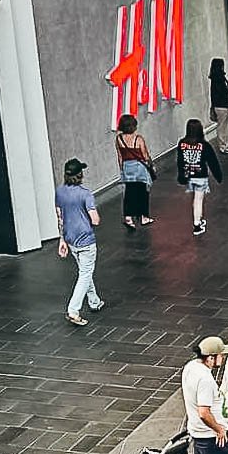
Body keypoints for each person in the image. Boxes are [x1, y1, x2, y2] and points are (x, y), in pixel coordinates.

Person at [55, 158, 103, 328]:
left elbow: (60, 217)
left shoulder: (60, 192)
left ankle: (94, 301)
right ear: (80, 175)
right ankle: (73, 310)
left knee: (85, 270)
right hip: (86, 240)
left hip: (71, 239)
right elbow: (95, 220)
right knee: (85, 274)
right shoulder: (85, 194)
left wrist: (62, 239)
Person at [176, 118, 224, 237]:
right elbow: (213, 162)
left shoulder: (182, 143)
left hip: (188, 175)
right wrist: (218, 176)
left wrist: (181, 175)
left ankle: (198, 220)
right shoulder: (204, 145)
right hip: (200, 175)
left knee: (195, 199)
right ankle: (197, 224)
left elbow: (180, 161)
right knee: (198, 200)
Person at [114, 115, 154, 230]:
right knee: (142, 192)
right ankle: (143, 217)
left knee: (129, 193)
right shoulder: (138, 139)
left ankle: (128, 217)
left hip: (127, 167)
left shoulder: (119, 139)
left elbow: (120, 157)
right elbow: (145, 155)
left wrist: (122, 169)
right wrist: (150, 165)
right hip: (139, 168)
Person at [208, 58, 228, 153]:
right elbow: (225, 91)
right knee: (224, 127)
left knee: (225, 126)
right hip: (223, 105)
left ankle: (226, 144)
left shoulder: (216, 78)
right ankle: (223, 146)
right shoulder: (219, 78)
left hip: (221, 105)